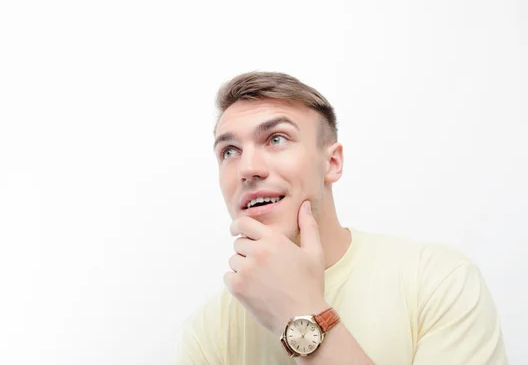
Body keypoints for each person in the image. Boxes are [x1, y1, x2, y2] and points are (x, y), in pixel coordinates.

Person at [176, 71, 507, 364]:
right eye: (229, 151)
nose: (247, 169)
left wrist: (302, 315)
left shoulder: (440, 282)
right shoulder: (208, 333)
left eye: (276, 139)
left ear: (332, 163)